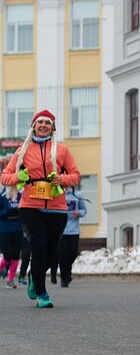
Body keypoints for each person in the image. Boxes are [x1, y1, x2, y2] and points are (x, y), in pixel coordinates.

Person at [0, 110, 80, 308]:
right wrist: (20, 177)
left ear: (53, 127)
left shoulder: (62, 150)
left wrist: (60, 179)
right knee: (39, 245)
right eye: (39, 122)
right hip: (30, 206)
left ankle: (34, 276)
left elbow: (75, 176)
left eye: (47, 122)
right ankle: (42, 294)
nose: (43, 125)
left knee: (52, 253)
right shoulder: (22, 151)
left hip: (57, 208)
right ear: (33, 126)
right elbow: (5, 176)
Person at [0, 159, 24, 289]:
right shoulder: (2, 195)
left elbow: (25, 211)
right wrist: (7, 213)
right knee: (8, 255)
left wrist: (19, 212)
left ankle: (10, 280)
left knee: (15, 255)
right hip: (4, 229)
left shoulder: (21, 195)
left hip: (17, 228)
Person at [57, 185, 86, 287]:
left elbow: (84, 210)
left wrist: (78, 213)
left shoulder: (78, 195)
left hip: (74, 230)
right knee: (63, 255)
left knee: (73, 253)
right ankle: (64, 278)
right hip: (61, 230)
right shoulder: (57, 194)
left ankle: (67, 272)